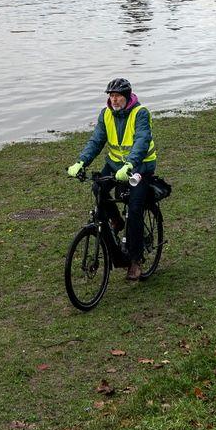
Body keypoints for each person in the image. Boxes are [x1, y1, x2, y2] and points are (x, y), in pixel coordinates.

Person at [66, 77, 159, 280]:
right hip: (115, 165)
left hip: (140, 167)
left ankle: (135, 260)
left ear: (126, 97)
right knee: (98, 189)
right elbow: (96, 140)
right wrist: (81, 162)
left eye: (117, 96)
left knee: (134, 209)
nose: (114, 100)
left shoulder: (140, 114)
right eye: (111, 96)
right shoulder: (106, 114)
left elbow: (142, 141)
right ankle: (116, 220)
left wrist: (130, 164)